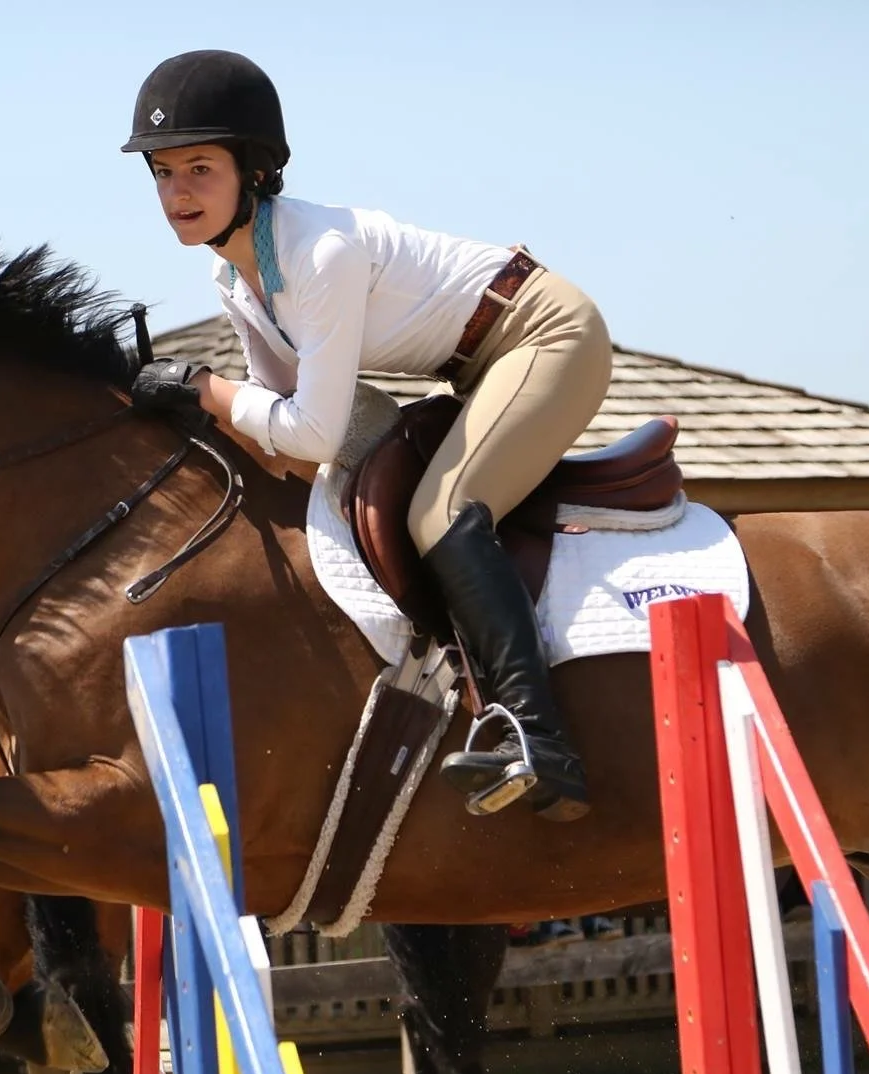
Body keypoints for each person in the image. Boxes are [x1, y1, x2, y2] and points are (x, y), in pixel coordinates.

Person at [122, 50, 611, 823]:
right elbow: (283, 415)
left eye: (199, 169)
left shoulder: (320, 252)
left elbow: (310, 428)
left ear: (253, 171)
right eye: (162, 173)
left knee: (441, 514)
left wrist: (201, 388)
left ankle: (538, 737)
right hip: (475, 364)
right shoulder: (234, 274)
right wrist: (193, 409)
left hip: (544, 332)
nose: (177, 191)